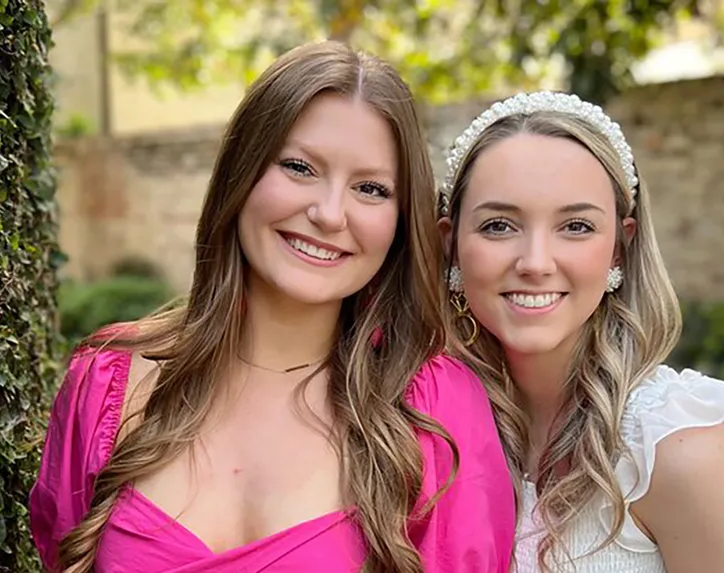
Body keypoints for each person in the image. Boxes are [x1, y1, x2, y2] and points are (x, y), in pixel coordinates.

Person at [29, 41, 516, 573]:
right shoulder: (108, 382)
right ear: (242, 172)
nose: (330, 214)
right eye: (300, 167)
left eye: (371, 188)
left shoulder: (435, 412)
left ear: (401, 220)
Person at [438, 91, 724, 572]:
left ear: (619, 250)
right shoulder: (429, 427)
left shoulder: (677, 451)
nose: (536, 263)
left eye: (576, 226)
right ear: (451, 244)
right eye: (499, 226)